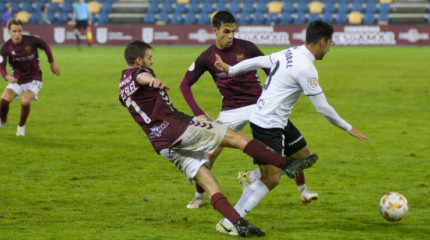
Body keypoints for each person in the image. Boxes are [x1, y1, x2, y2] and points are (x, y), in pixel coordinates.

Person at [118, 41, 317, 237]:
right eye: (149, 58)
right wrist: (151, 80)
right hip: (178, 128)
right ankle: (286, 164)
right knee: (236, 137)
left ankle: (237, 224)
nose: (152, 62)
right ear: (138, 60)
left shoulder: (122, 86)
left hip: (161, 144)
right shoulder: (140, 73)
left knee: (208, 180)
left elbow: (136, 91)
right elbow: (142, 77)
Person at [213, 20, 368, 236]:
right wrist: (348, 128)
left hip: (279, 119)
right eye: (330, 43)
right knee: (272, 178)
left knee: (303, 155)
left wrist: (232, 69)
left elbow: (259, 60)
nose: (330, 48)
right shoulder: (307, 69)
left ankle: (251, 176)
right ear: (321, 42)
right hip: (267, 123)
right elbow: (323, 108)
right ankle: (229, 222)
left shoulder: (291, 52)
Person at [180, 10, 317, 209]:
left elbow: (271, 70)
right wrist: (197, 111)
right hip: (230, 111)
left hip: (260, 106)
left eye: (233, 31)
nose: (230, 36)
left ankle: (303, 190)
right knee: (207, 155)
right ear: (215, 31)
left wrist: (276, 98)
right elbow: (185, 85)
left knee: (285, 142)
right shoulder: (207, 57)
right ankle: (199, 196)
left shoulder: (247, 47)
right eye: (226, 32)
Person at [0, 19, 60, 136]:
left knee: (25, 100)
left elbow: (45, 46)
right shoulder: (6, 47)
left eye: (19, 31)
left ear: (22, 30)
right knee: (3, 102)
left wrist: (52, 63)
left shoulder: (31, 41)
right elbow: (1, 66)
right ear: (9, 32)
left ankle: (21, 127)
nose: (17, 34)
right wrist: (7, 76)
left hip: (34, 78)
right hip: (17, 79)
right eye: (14, 31)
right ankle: (3, 121)